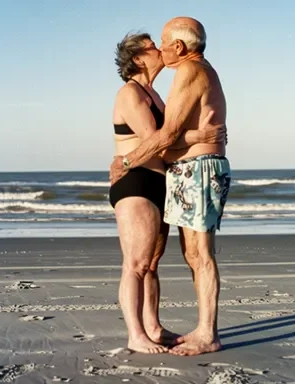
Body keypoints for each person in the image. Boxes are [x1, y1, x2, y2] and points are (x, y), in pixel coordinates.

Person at [110, 17, 231, 356]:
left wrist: (127, 159)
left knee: (190, 255)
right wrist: (128, 161)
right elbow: (163, 138)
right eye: (153, 46)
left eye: (162, 43)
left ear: (179, 46)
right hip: (153, 178)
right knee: (146, 261)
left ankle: (198, 332)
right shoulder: (137, 92)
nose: (160, 49)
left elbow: (167, 136)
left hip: (181, 173)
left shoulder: (183, 77)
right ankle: (145, 331)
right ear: (138, 58)